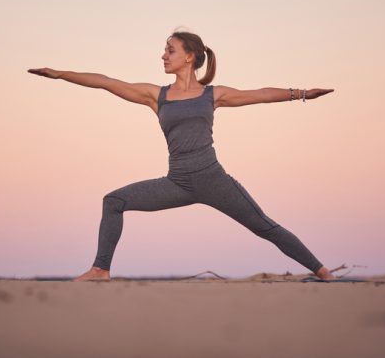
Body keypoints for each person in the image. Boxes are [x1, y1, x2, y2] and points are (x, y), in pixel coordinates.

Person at [28, 28, 335, 282]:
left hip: (214, 180)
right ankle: (100, 269)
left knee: (265, 227)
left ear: (189, 57)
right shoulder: (156, 96)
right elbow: (108, 82)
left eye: (170, 50)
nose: (163, 55)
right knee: (114, 201)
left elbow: (262, 94)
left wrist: (303, 93)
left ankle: (323, 272)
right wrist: (59, 74)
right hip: (177, 183)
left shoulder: (212, 94)